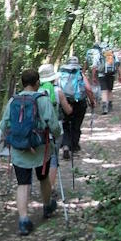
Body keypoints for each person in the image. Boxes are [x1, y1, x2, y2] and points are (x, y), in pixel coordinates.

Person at [0, 68, 62, 235]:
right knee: (43, 178)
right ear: (37, 83)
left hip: (19, 150)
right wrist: (57, 136)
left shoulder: (13, 100)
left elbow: (3, 125)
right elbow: (53, 125)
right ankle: (47, 207)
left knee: (23, 184)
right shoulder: (43, 100)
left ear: (22, 83)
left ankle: (23, 221)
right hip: (41, 149)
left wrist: (13, 138)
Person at [37, 63, 73, 196]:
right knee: (53, 158)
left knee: (42, 158)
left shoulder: (36, 92)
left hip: (40, 130)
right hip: (56, 129)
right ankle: (50, 187)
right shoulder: (58, 91)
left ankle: (43, 186)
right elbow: (67, 110)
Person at [57, 56, 96, 158]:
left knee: (65, 125)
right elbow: (88, 89)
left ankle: (66, 146)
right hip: (79, 103)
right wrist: (92, 101)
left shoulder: (61, 74)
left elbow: (56, 89)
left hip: (65, 102)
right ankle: (74, 148)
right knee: (76, 125)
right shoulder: (80, 74)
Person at [94, 43, 121, 114]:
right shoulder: (113, 54)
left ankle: (104, 108)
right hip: (111, 74)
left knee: (104, 91)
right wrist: (120, 76)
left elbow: (94, 67)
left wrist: (94, 77)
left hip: (101, 75)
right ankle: (110, 106)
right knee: (110, 90)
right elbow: (118, 65)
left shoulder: (98, 55)